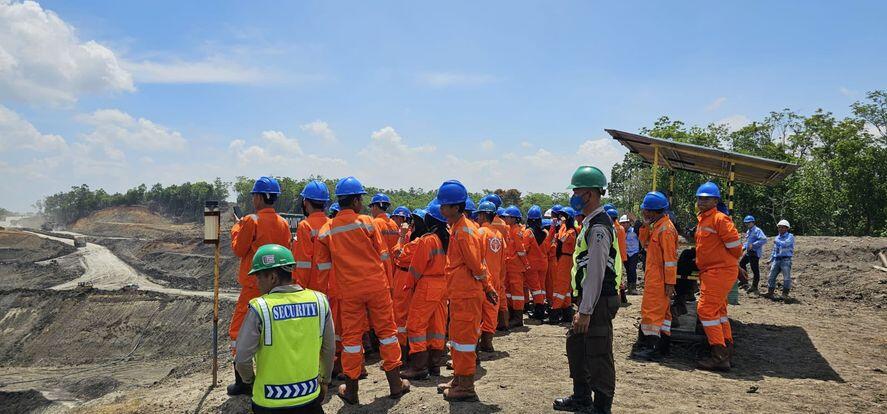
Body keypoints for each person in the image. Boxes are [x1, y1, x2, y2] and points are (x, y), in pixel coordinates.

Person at [314, 176, 409, 405]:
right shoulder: (367, 222)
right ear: (356, 200)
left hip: (349, 292)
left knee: (352, 340)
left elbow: (323, 269)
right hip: (377, 286)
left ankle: (352, 391)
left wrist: (325, 295)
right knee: (386, 333)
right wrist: (388, 283)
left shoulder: (326, 230)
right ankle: (396, 385)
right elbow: (383, 255)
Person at [234, 244, 334, 414]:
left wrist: (251, 381)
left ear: (273, 277)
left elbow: (242, 358)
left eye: (259, 277)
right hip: (309, 397)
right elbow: (329, 348)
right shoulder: (320, 301)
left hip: (270, 401)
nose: (256, 283)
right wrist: (324, 380)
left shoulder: (261, 307)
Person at [553, 165, 619, 414]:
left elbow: (596, 272)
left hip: (598, 300)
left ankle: (602, 407)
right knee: (578, 345)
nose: (573, 195)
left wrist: (586, 309)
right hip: (589, 299)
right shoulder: (590, 223)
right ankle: (582, 397)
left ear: (589, 194)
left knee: (598, 351)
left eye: (576, 191)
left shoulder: (599, 227)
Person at [228, 176, 293, 396]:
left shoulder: (250, 220)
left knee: (238, 331)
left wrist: (237, 227)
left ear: (258, 197)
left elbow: (238, 249)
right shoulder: (283, 222)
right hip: (278, 283)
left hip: (254, 283)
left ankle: (243, 381)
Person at [435, 180, 498, 402]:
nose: (441, 209)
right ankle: (459, 380)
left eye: (444, 205)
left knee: (463, 341)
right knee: (458, 339)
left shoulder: (463, 232)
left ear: (456, 208)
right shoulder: (460, 228)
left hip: (467, 295)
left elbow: (476, 265)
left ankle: (467, 388)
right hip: (461, 294)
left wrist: (487, 287)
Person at [694, 181, 742, 371]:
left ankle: (719, 355)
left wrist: (725, 263)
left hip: (719, 271)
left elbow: (736, 248)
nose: (702, 202)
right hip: (711, 271)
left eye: (706, 199)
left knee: (705, 310)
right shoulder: (703, 219)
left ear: (715, 200)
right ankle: (727, 349)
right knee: (719, 311)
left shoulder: (720, 219)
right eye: (699, 199)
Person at [400, 201, 449, 380]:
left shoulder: (428, 240)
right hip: (443, 286)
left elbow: (416, 267)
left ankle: (419, 367)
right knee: (437, 326)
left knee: (415, 324)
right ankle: (434, 365)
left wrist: (409, 284)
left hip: (427, 285)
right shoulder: (447, 237)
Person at [630, 192, 678, 361]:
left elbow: (670, 260)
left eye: (645, 210)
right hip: (655, 277)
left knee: (652, 313)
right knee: (663, 314)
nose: (643, 213)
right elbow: (645, 245)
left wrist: (670, 282)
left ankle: (652, 348)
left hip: (659, 279)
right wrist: (644, 226)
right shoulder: (657, 226)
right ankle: (663, 346)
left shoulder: (665, 230)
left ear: (652, 211)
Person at [391, 209, 427, 357]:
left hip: (405, 276)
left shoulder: (419, 241)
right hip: (416, 279)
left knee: (400, 315)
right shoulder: (426, 239)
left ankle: (403, 353)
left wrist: (401, 236)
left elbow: (398, 253)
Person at [475, 201, 507, 350]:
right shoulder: (499, 235)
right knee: (491, 311)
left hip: (482, 279)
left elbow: (476, 257)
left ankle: (475, 344)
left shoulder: (480, 232)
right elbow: (503, 259)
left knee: (476, 313)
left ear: (482, 215)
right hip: (495, 277)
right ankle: (488, 343)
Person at [292, 180, 331, 293]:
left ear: (305, 202)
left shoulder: (305, 225)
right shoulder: (331, 224)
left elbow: (303, 262)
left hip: (311, 289)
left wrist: (300, 288)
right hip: (330, 287)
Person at [502, 205, 531, 327]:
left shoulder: (516, 231)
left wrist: (526, 264)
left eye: (508, 217)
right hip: (510, 266)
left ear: (514, 218)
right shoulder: (510, 229)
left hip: (516, 267)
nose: (506, 219)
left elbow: (520, 250)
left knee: (517, 292)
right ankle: (512, 314)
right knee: (509, 291)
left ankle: (518, 318)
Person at [549, 207, 577, 324]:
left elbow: (562, 238)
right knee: (565, 289)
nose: (561, 219)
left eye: (563, 217)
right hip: (561, 258)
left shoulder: (571, 231)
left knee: (561, 286)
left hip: (566, 259)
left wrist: (563, 225)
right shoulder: (564, 229)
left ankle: (554, 314)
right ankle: (567, 314)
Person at [370, 193, 398, 293]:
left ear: (375, 206)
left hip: (380, 269)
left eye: (371, 207)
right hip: (393, 268)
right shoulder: (394, 224)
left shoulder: (375, 223)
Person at [525, 205, 549, 321]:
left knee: (535, 288)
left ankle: (539, 310)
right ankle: (543, 307)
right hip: (544, 263)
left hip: (532, 264)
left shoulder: (528, 233)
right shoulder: (545, 232)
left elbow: (524, 248)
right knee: (542, 287)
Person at [765, 219, 795, 300]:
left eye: (782, 227)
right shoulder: (777, 237)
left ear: (786, 228)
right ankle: (770, 292)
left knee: (786, 277)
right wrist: (770, 259)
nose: (780, 229)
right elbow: (775, 250)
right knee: (771, 276)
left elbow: (786, 244)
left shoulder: (790, 236)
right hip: (777, 259)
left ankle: (785, 294)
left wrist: (777, 242)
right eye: (779, 227)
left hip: (786, 260)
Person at [738, 215, 767, 293]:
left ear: (753, 222)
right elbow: (747, 242)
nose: (747, 224)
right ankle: (744, 281)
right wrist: (743, 248)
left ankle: (754, 286)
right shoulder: (749, 231)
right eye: (746, 223)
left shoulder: (757, 230)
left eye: (749, 223)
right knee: (741, 263)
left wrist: (753, 245)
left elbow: (764, 239)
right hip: (749, 252)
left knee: (755, 269)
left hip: (754, 253)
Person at [620, 215, 641, 295]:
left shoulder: (634, 231)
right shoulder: (621, 232)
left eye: (625, 223)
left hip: (633, 253)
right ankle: (629, 288)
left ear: (629, 223)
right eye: (622, 223)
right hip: (625, 254)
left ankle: (633, 288)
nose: (623, 225)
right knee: (628, 270)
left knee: (632, 269)